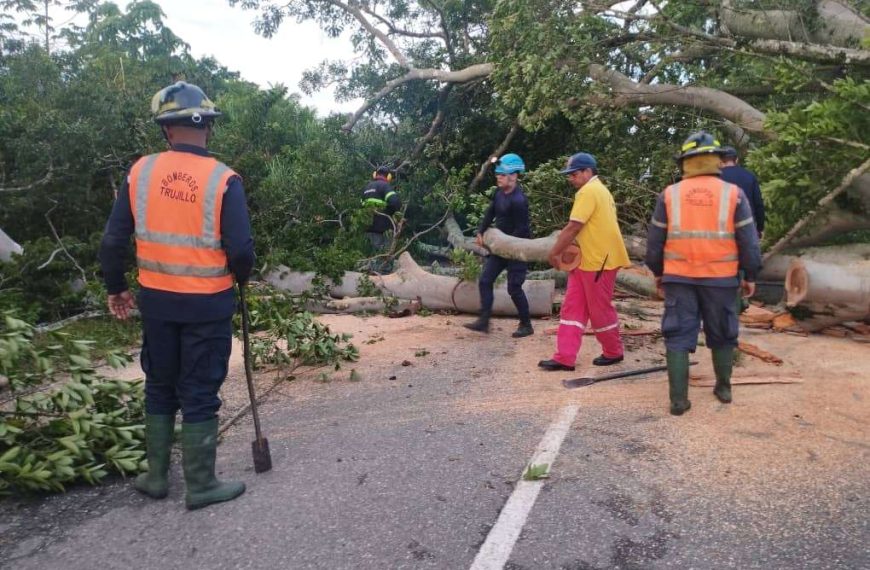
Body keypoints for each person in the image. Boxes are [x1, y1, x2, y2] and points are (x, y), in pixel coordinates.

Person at [99, 81, 254, 509]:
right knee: (200, 390)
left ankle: (156, 477)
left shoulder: (140, 172)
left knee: (160, 385)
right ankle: (201, 486)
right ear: (208, 129)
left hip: (158, 303)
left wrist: (117, 287)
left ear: (167, 130)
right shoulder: (224, 179)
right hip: (208, 304)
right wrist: (243, 278)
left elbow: (113, 242)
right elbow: (240, 249)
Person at [645, 131, 762, 416]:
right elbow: (748, 241)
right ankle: (724, 388)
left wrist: (659, 273)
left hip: (679, 279)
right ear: (717, 160)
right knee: (723, 333)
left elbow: (654, 244)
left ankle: (678, 401)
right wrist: (750, 275)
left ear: (685, 162)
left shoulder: (669, 195)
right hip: (722, 280)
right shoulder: (734, 194)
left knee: (677, 335)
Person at [538, 153, 631, 372]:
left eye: (574, 173)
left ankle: (613, 351)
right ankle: (564, 357)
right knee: (572, 307)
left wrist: (555, 253)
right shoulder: (598, 190)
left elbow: (573, 227)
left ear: (588, 171)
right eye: (569, 174)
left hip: (599, 261)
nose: (570, 178)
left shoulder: (589, 191)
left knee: (599, 310)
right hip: (587, 261)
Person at [464, 153, 534, 338]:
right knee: (485, 280)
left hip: (518, 249)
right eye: (498, 174)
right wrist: (481, 231)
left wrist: (503, 244)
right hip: (500, 248)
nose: (498, 177)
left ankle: (526, 325)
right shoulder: (499, 193)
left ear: (513, 176)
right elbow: (490, 212)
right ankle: (484, 321)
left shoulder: (519, 201)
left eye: (502, 175)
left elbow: (522, 230)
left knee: (514, 288)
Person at [362, 166, 401, 272]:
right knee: (384, 258)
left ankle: (368, 280)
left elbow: (360, 207)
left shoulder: (366, 188)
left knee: (369, 258)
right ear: (388, 176)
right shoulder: (385, 186)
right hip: (382, 229)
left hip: (367, 228)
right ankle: (383, 279)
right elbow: (395, 203)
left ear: (375, 174)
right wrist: (392, 212)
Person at [720, 147, 765, 239]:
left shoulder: (716, 178)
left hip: (724, 230)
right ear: (736, 159)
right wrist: (760, 228)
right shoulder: (749, 176)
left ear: (720, 161)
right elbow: (758, 204)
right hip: (748, 227)